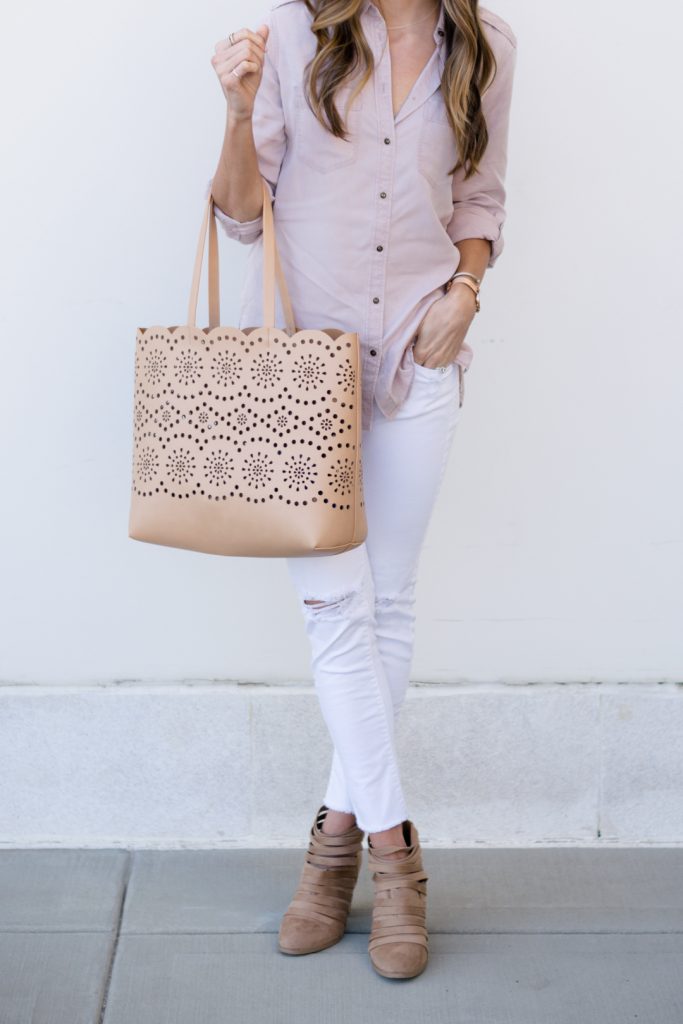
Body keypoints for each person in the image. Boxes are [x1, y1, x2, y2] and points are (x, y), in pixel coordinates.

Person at [207, 0, 517, 980]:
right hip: (306, 372)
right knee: (337, 611)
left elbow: (480, 202)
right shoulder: (298, 31)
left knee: (384, 608)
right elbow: (237, 216)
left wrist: (463, 298)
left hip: (420, 363)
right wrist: (236, 107)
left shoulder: (487, 46)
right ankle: (391, 855)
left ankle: (328, 850)